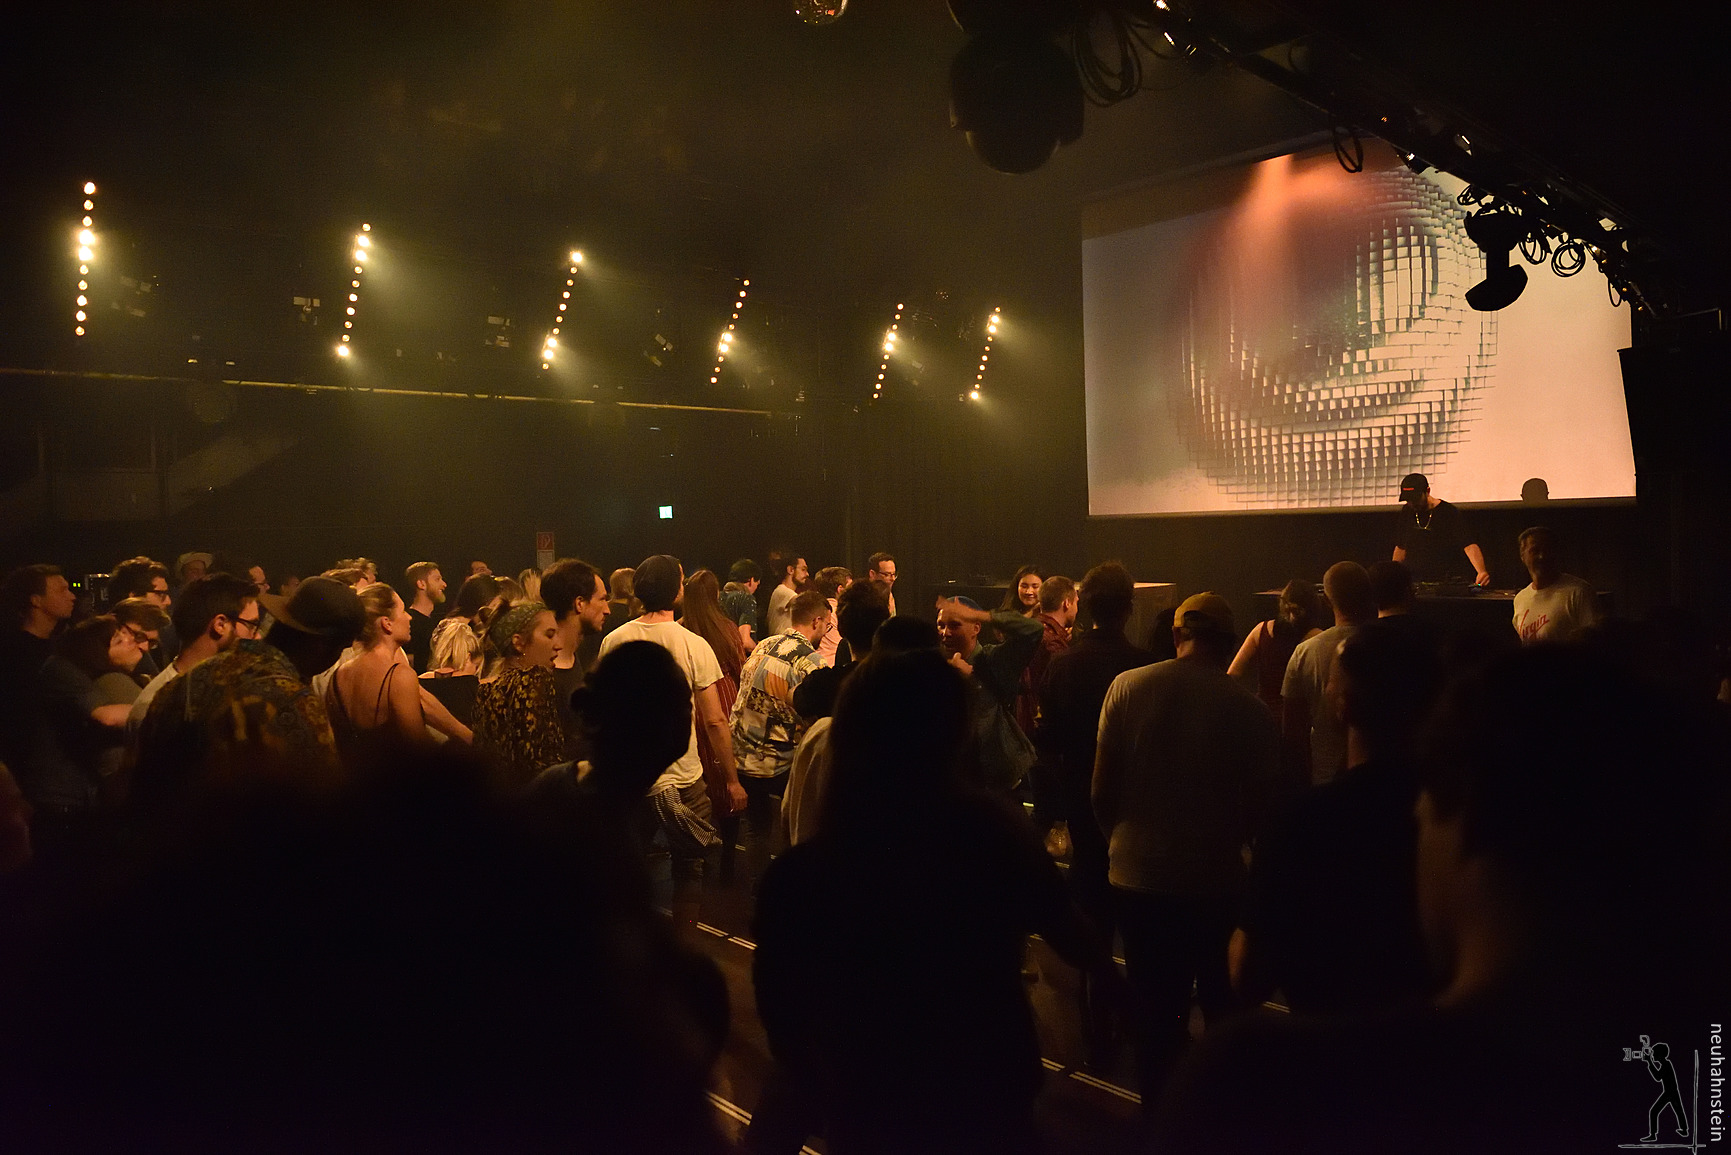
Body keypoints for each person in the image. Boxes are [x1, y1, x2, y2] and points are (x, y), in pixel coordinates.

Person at [1152, 645, 1729, 1153]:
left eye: (1424, 809)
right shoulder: (1695, 1076)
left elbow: (1248, 976)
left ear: (1458, 812)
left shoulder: (1257, 1084)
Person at [752, 648, 1111, 1155]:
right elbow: (1073, 937)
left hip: (869, 1107)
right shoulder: (994, 837)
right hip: (985, 1091)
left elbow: (782, 1018)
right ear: (954, 734)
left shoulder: (802, 874)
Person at [1093, 592, 1279, 1101]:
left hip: (1138, 875)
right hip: (1215, 881)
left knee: (1155, 1012)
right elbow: (1261, 808)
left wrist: (1121, 843)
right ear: (1228, 643)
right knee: (1221, 1009)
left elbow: (1101, 790)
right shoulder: (1250, 710)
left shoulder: (1128, 687)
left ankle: (1159, 1114)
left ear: (1177, 634)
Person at [1231, 622, 1441, 1017]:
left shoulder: (1303, 821)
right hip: (1436, 1044)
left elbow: (1248, 975)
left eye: (1331, 682)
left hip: (1328, 1040)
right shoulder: (1458, 813)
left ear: (1343, 704)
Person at [598, 556, 747, 914]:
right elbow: (715, 721)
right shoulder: (693, 644)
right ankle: (685, 936)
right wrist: (731, 779)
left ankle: (631, 935)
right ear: (675, 590)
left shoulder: (614, 640)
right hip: (684, 777)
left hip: (632, 778)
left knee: (627, 866)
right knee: (689, 870)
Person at [132, 577, 360, 809]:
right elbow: (322, 804)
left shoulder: (189, 679)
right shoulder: (296, 704)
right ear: (321, 646)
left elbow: (139, 778)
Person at [1034, 561, 1152, 950]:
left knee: (1090, 905)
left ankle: (1093, 976)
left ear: (1083, 605)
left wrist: (1056, 805)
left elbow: (1047, 741)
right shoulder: (1145, 667)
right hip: (1134, 799)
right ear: (1129, 608)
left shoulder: (1064, 664)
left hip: (1080, 794)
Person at [727, 589, 830, 887]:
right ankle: (792, 887)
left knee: (756, 829)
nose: (827, 631)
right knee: (796, 824)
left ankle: (760, 889)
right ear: (817, 621)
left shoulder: (765, 644)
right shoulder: (812, 662)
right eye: (827, 625)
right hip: (778, 761)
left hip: (742, 753)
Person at [783, 581, 891, 845]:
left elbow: (793, 696)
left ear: (841, 629)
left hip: (838, 814)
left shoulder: (827, 684)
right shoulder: (908, 681)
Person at [32, 615, 150, 817]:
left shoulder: (86, 674)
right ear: (97, 648)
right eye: (119, 640)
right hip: (58, 797)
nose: (134, 644)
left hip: (78, 795)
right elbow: (106, 716)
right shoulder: (61, 668)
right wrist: (164, 705)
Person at [128, 573, 260, 738]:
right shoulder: (158, 707)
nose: (258, 636)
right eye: (251, 625)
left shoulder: (224, 689)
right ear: (220, 625)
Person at [936, 594, 1044, 792]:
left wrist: (984, 615)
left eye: (954, 625)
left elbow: (1033, 630)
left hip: (995, 780)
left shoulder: (993, 660)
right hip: (952, 780)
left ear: (976, 628)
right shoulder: (935, 666)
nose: (945, 632)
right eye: (941, 625)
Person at [1282, 561, 1376, 787]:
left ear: (1326, 600)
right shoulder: (1390, 646)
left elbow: (1292, 730)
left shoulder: (1305, 652)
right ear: (1369, 595)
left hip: (1324, 778)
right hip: (1382, 779)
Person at [326, 583, 442, 761]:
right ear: (387, 623)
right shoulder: (399, 676)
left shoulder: (338, 676)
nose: (409, 617)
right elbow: (420, 747)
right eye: (403, 611)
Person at [0, 565, 79, 797]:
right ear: (36, 600)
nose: (72, 596)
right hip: (31, 774)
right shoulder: (15, 653)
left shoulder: (60, 645)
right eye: (62, 590)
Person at [471, 601, 565, 789]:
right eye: (549, 635)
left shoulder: (486, 689)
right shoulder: (532, 679)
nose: (558, 645)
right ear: (518, 642)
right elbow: (538, 762)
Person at [540, 558, 609, 753]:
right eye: (602, 599)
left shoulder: (579, 657)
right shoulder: (544, 672)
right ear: (579, 603)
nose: (607, 610)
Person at [1228, 579, 1323, 717]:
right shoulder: (1317, 637)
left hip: (1263, 714)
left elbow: (1232, 674)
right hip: (1298, 717)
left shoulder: (1261, 630)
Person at [1392, 472, 1490, 585]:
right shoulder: (1407, 512)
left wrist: (1481, 571)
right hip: (1414, 579)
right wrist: (1394, 573)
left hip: (1442, 579)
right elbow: (1401, 547)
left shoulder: (1448, 512)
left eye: (1416, 499)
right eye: (1408, 500)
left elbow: (1468, 544)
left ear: (1427, 491)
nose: (1412, 503)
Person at [1511, 526, 1599, 643]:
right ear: (1523, 556)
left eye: (1547, 550)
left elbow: (1594, 641)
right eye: (1535, 551)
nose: (1542, 556)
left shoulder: (1578, 592)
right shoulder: (1520, 599)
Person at [427, 573, 498, 674]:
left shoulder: (472, 627)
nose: (494, 611)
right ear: (480, 602)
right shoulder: (453, 630)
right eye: (494, 605)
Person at [402, 561, 446, 672]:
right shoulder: (409, 623)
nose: (444, 584)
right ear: (421, 584)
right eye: (437, 579)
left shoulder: (438, 621)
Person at [809, 566, 851, 666]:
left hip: (815, 664)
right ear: (840, 589)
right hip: (834, 666)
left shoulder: (811, 610)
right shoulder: (841, 612)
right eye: (850, 587)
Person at [721, 558, 762, 650]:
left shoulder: (717, 597)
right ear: (751, 580)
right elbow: (745, 642)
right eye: (757, 583)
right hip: (736, 656)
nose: (756, 588)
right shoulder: (746, 598)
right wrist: (760, 649)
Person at [764, 553, 808, 637]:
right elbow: (806, 603)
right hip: (780, 643)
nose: (807, 574)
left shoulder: (787, 592)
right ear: (790, 570)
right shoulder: (782, 590)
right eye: (803, 569)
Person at [866, 550, 898, 617]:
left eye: (894, 574)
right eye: (887, 574)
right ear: (872, 574)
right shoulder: (864, 598)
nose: (893, 579)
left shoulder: (890, 596)